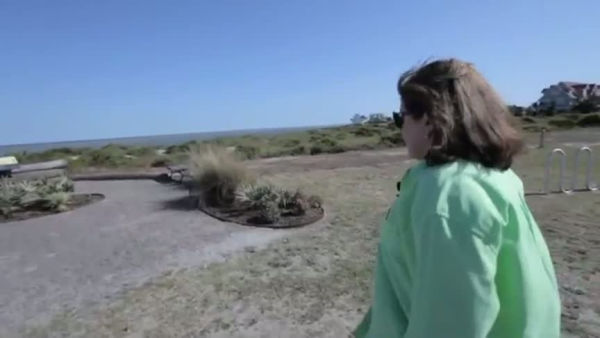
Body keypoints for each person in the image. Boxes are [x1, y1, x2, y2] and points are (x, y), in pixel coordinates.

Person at [353, 59, 561, 338]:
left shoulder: (448, 195)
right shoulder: (495, 178)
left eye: (401, 116)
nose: (399, 128)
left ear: (428, 119)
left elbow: (450, 324)